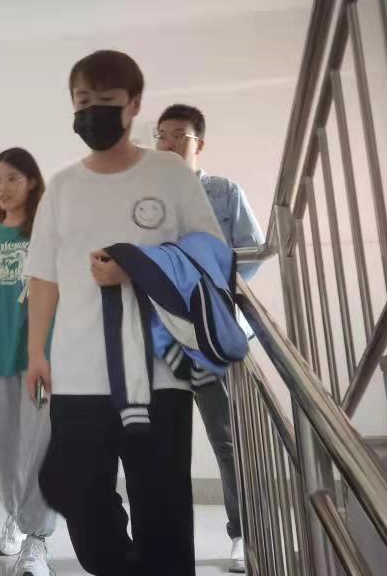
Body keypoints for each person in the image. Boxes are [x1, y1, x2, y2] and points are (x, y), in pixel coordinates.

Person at [25, 50, 224, 576]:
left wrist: (136, 266)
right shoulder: (63, 186)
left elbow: (210, 254)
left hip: (157, 373)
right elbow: (43, 276)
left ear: (133, 104)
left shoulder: (169, 172)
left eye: (106, 100)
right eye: (82, 101)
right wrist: (36, 353)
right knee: (75, 491)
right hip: (77, 372)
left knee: (162, 508)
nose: (92, 111)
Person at [155, 103, 264, 573]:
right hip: (160, 335)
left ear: (199, 143)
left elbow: (253, 251)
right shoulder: (145, 198)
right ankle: (163, 539)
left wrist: (209, 288)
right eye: (161, 135)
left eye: (178, 135)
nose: (167, 143)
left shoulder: (223, 192)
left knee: (227, 439)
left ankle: (243, 534)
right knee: (160, 440)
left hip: (212, 333)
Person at [0, 148, 57, 576]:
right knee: (6, 448)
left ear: (32, 182)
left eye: (13, 178)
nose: (3, 187)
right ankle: (17, 515)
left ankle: (37, 538)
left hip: (40, 357)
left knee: (39, 447)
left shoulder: (47, 234)